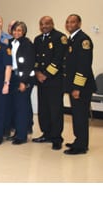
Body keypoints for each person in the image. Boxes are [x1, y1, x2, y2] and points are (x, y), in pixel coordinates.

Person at [33, 16, 68, 150]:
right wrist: (37, 73)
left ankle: (56, 138)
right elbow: (35, 59)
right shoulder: (38, 39)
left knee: (55, 110)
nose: (44, 26)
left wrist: (46, 74)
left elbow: (58, 59)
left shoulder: (60, 38)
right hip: (41, 80)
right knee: (44, 109)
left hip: (54, 81)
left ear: (52, 24)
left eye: (47, 24)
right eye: (41, 24)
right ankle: (46, 133)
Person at [63, 14, 96, 155]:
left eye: (73, 22)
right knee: (76, 115)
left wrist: (77, 87)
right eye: (68, 22)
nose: (70, 24)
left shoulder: (83, 40)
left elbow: (83, 66)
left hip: (81, 87)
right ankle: (78, 140)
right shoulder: (72, 39)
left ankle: (82, 146)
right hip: (73, 86)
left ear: (79, 24)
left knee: (81, 116)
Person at [8, 21, 35, 145]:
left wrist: (23, 82)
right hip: (12, 76)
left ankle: (22, 135)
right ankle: (17, 132)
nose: (16, 32)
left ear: (24, 32)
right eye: (15, 30)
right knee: (14, 106)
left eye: (19, 30)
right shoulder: (10, 43)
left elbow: (28, 64)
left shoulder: (27, 44)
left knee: (21, 108)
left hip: (22, 78)